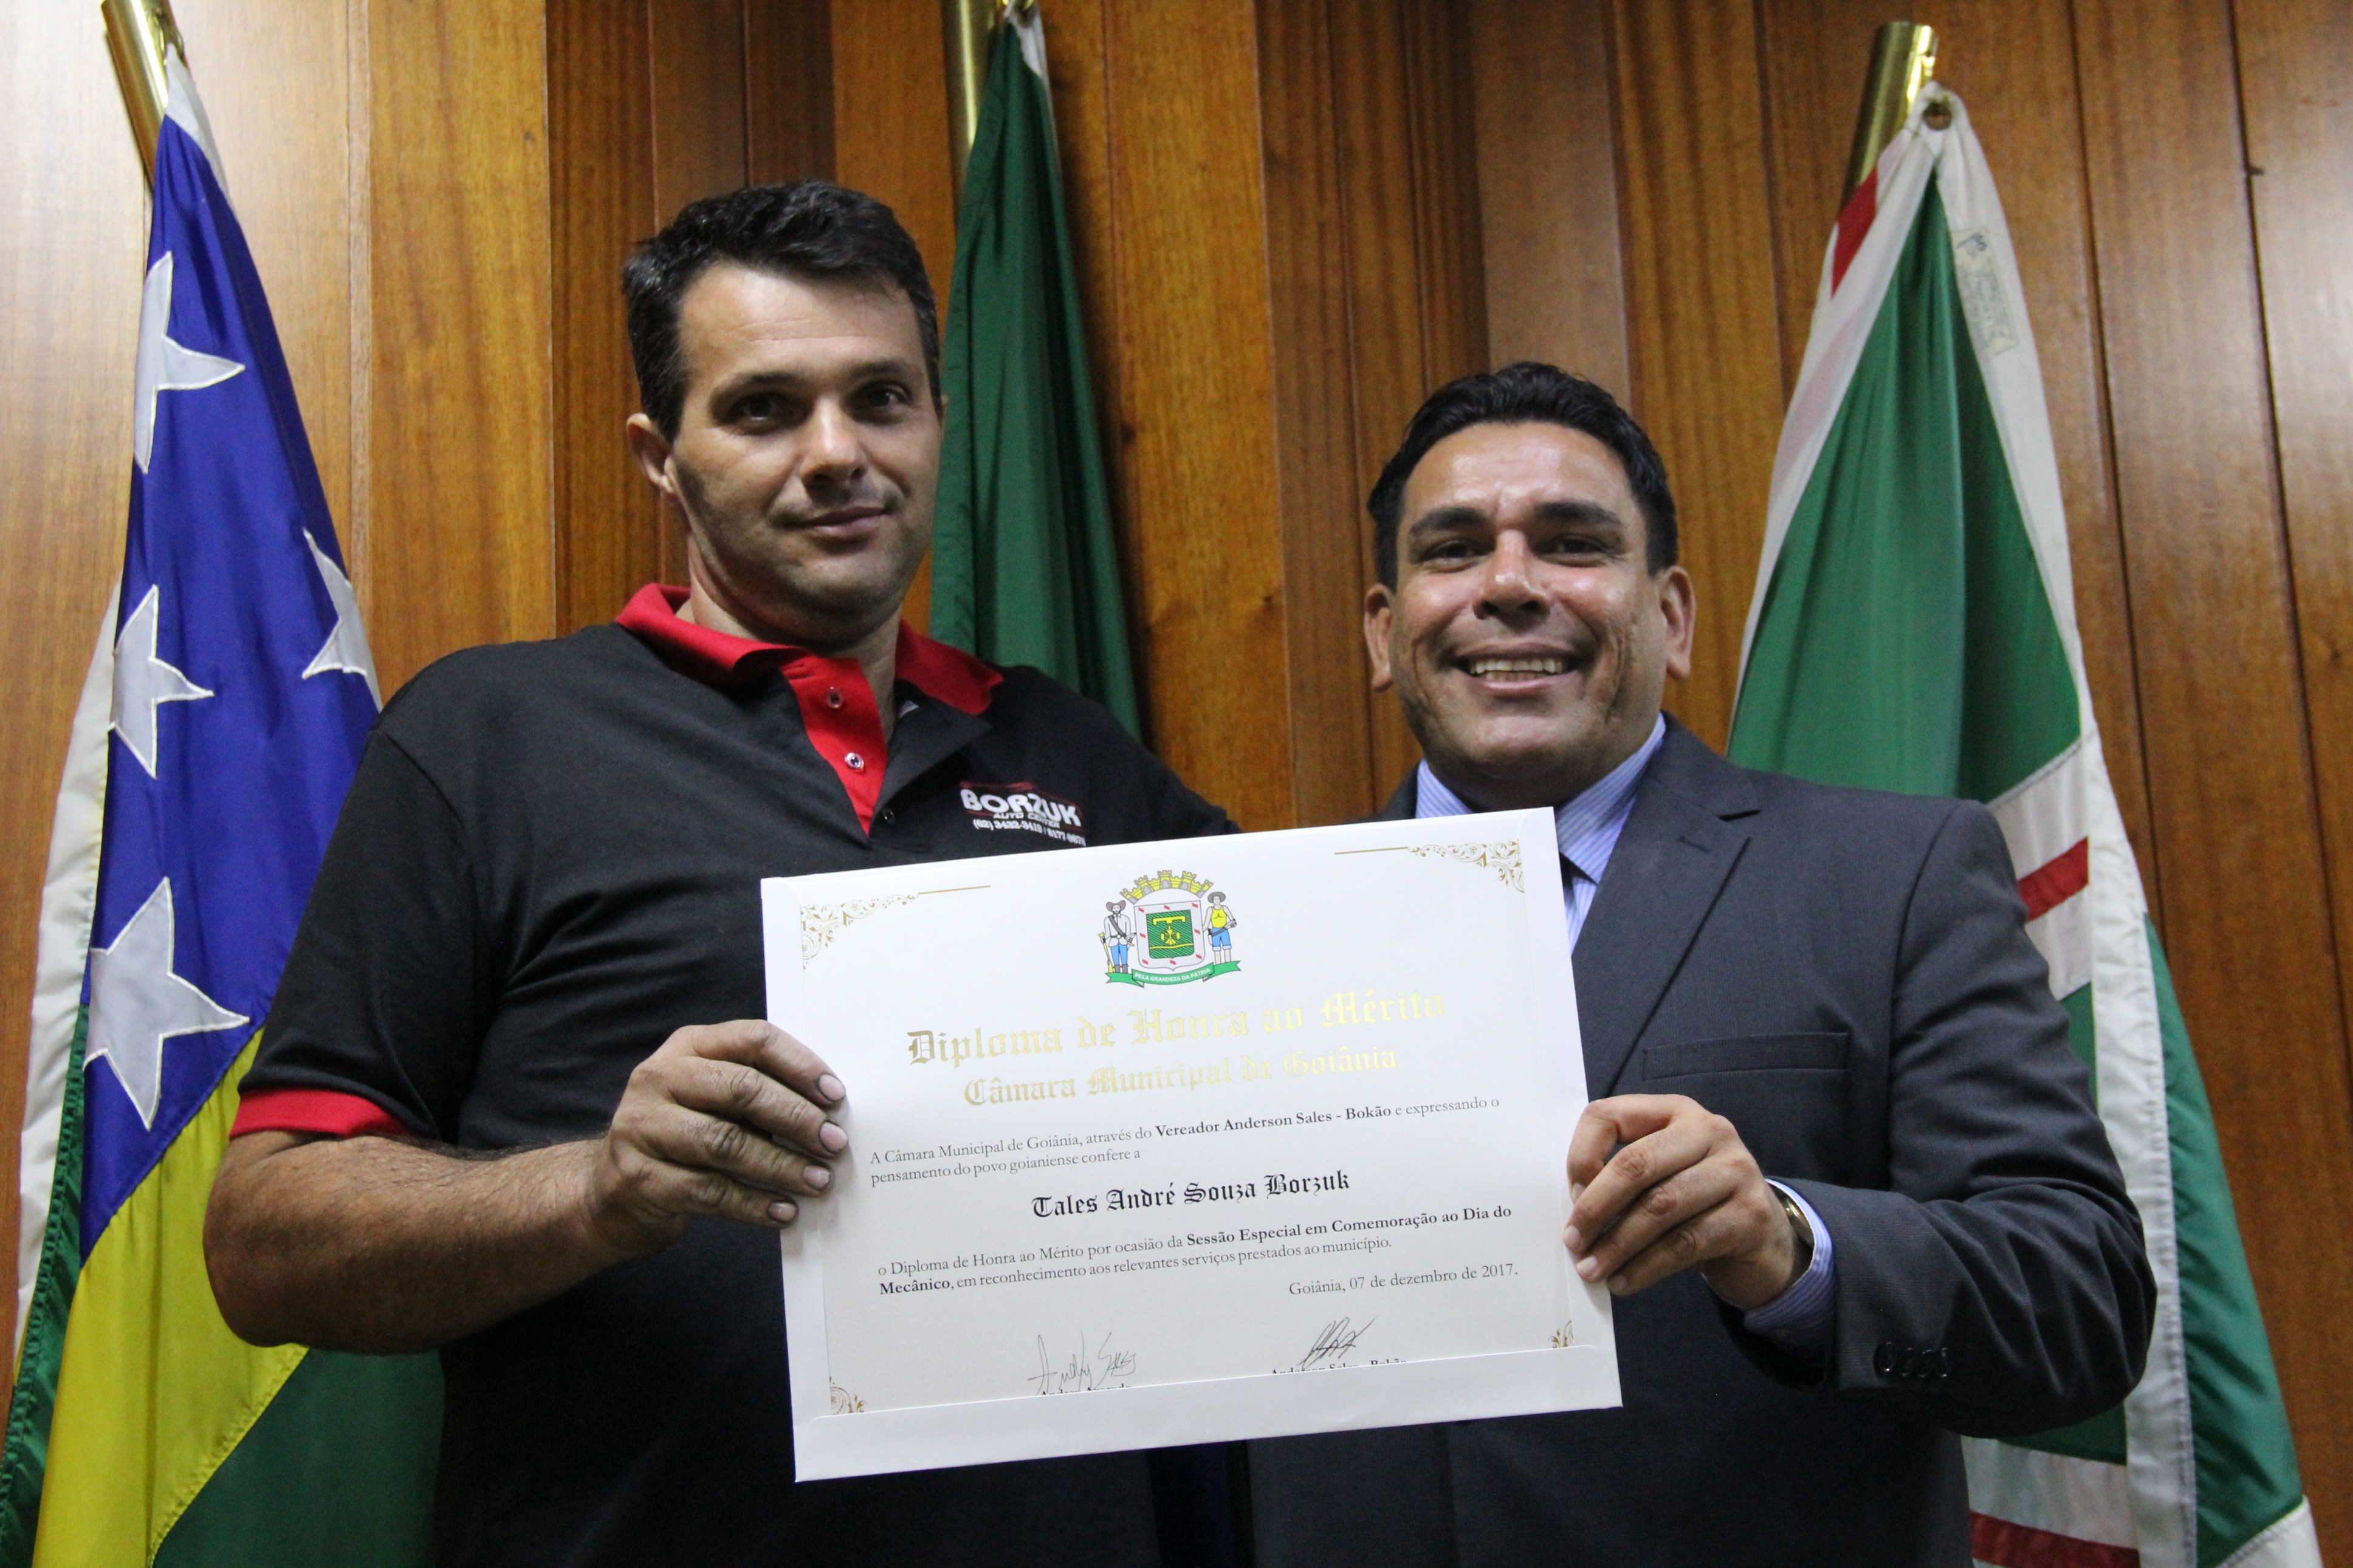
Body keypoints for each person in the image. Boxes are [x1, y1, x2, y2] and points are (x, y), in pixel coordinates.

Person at [203, 182, 1235, 1567]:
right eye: (763, 409)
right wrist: (597, 1190)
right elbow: (263, 1240)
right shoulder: (488, 738)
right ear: (661, 456)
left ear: (939, 420)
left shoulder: (1074, 753)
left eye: (882, 398)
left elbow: (1311, 1063)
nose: (839, 453)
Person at [1246, 364, 2155, 1566]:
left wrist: (1789, 1244)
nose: (1508, 584)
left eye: (1572, 543)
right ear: (1384, 628)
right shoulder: (1258, 942)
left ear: (1670, 616)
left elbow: (2080, 1305)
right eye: (1454, 549)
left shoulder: (1892, 878)